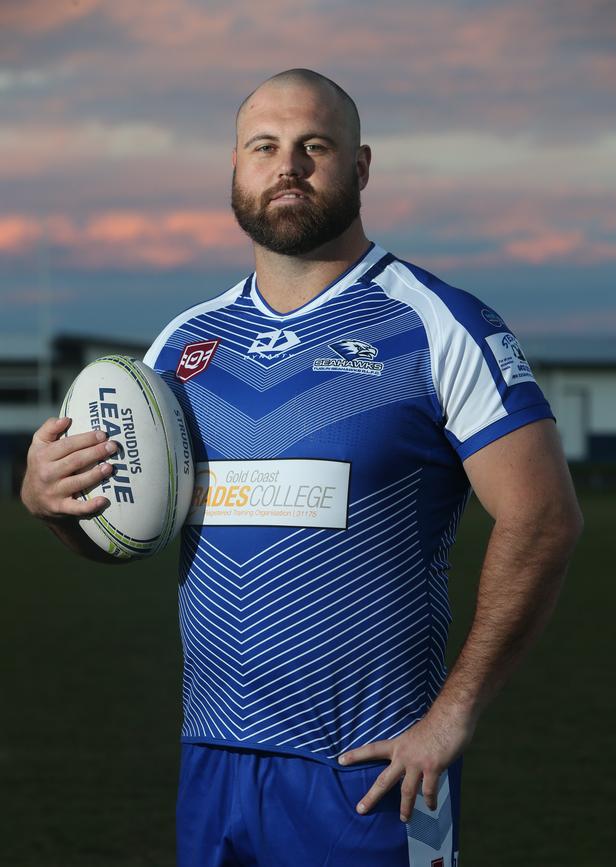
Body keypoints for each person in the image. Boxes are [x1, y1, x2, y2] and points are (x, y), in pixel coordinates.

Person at [21, 69, 583, 867]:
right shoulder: (182, 347)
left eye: (314, 145)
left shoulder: (437, 322)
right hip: (213, 757)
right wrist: (52, 502)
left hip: (373, 770)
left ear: (359, 167)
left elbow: (546, 518)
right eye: (265, 147)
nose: (288, 165)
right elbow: (123, 530)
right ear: (237, 171)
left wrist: (454, 715)